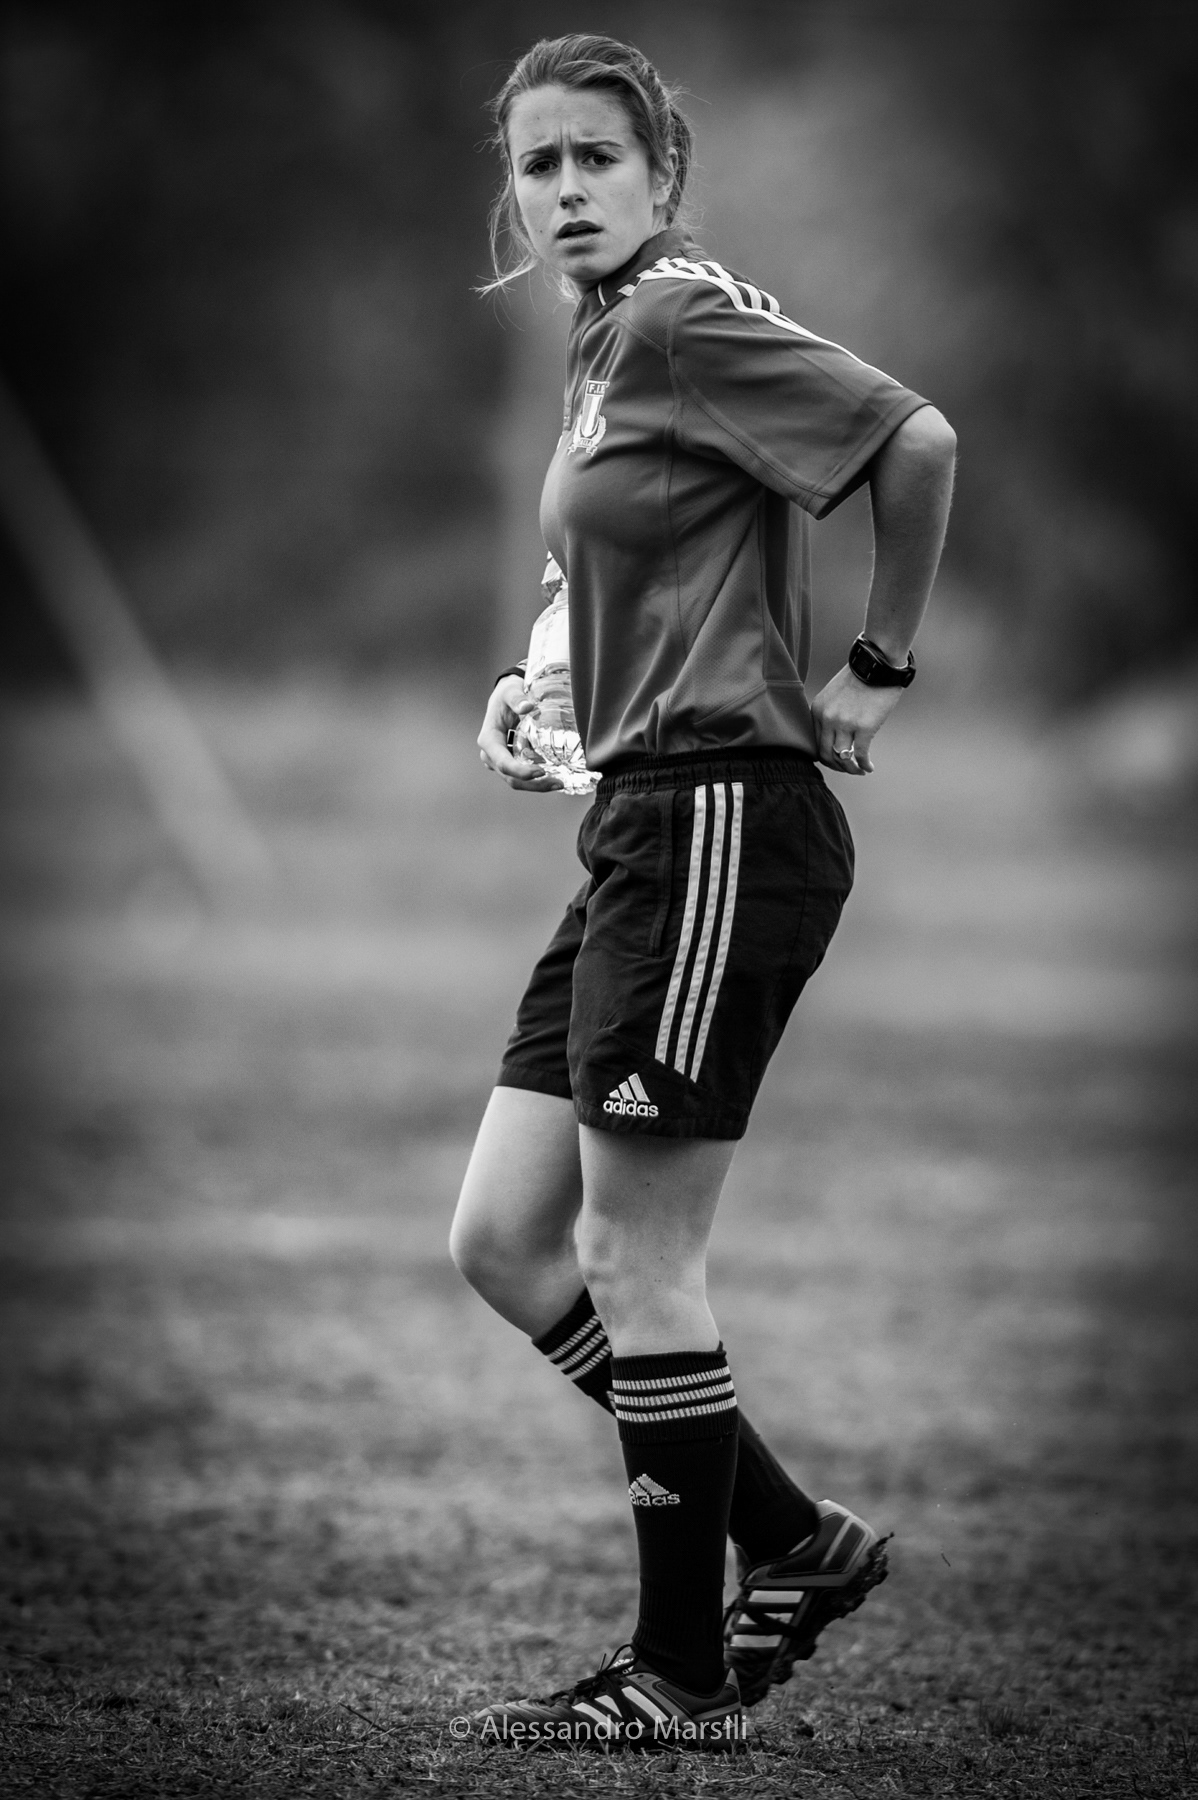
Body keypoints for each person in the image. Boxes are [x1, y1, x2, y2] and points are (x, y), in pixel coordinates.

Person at [450, 32, 956, 1752]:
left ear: (661, 173)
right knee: (506, 1243)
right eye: (538, 163)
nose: (564, 187)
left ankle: (676, 1671)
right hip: (641, 823)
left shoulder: (676, 316)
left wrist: (876, 663)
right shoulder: (605, 343)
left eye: (596, 156)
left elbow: (913, 439)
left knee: (630, 1252)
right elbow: (628, 561)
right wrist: (542, 688)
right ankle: (792, 1540)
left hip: (724, 817)